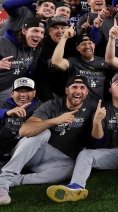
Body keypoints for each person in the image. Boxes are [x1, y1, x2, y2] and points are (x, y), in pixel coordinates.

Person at [46, 73, 118, 202]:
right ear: (110, 89)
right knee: (85, 154)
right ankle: (76, 186)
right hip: (108, 154)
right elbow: (97, 142)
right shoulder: (102, 108)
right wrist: (97, 121)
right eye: (117, 82)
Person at [0, 75, 97, 205]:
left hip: (52, 159)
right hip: (33, 151)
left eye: (82, 87)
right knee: (43, 132)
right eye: (74, 87)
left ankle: (17, 180)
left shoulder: (92, 106)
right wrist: (55, 120)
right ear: (67, 90)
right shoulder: (51, 105)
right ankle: (3, 183)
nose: (78, 91)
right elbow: (24, 130)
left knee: (72, 167)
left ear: (86, 92)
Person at [0, 18, 46, 99]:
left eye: (42, 32)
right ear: (24, 31)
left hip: (8, 89)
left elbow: (30, 71)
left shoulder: (36, 48)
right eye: (35, 31)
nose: (39, 35)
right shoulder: (2, 43)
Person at [0, 78, 41, 161]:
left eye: (27, 91)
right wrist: (7, 113)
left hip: (26, 150)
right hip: (3, 148)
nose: (23, 94)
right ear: (12, 93)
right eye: (19, 91)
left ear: (34, 93)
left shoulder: (41, 107)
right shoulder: (5, 104)